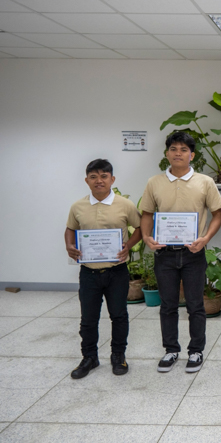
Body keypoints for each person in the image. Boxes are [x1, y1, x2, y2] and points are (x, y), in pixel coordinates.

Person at [140, 132, 221, 374]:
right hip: (164, 254)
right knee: (167, 305)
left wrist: (205, 238)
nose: (178, 153)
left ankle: (196, 350)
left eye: (184, 150)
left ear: (192, 155)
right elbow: (146, 213)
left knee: (196, 305)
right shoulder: (154, 182)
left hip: (193, 253)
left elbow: (218, 214)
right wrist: (147, 238)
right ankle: (171, 350)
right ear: (167, 153)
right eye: (174, 149)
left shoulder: (205, 182)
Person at [65, 159, 142, 379]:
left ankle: (118, 355)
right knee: (88, 319)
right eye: (94, 177)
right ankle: (89, 357)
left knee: (119, 316)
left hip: (116, 271)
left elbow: (140, 227)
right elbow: (70, 229)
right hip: (89, 272)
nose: (99, 181)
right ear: (87, 180)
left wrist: (129, 245)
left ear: (112, 179)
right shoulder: (77, 206)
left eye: (104, 176)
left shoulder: (125, 205)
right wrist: (69, 246)